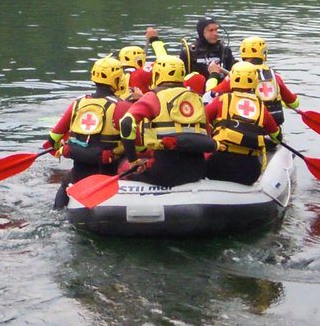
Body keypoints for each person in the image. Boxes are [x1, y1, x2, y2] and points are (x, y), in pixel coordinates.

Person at [46, 57, 137, 207]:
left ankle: (58, 207)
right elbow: (138, 141)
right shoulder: (122, 107)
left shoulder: (78, 103)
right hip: (107, 175)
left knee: (64, 184)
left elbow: (53, 137)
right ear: (117, 80)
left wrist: (59, 146)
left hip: (78, 174)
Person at [118, 55, 215, 188]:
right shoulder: (197, 99)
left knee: (122, 167)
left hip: (164, 171)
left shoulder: (152, 97)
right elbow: (208, 134)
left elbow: (126, 123)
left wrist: (133, 160)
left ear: (158, 75)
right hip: (196, 171)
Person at [203, 61, 281, 185]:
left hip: (217, 167)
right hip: (249, 173)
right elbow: (277, 136)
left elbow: (202, 119)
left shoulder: (220, 100)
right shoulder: (261, 107)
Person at [209, 37, 301, 125]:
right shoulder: (275, 76)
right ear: (263, 53)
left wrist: (213, 74)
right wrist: (281, 99)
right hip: (273, 124)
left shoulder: (236, 74)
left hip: (248, 124)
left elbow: (210, 94)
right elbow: (294, 103)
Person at [145, 16, 235, 82]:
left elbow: (234, 73)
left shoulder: (224, 51)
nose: (215, 34)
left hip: (220, 92)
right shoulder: (189, 52)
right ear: (201, 32)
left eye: (216, 30)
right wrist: (154, 40)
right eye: (211, 30)